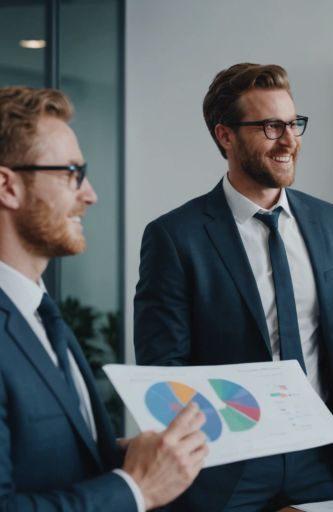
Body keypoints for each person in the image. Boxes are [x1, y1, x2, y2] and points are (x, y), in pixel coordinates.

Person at [133, 63, 333, 511]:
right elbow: (166, 372)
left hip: (317, 461)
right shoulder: (175, 237)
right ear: (226, 136)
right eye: (271, 127)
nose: (290, 140)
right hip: (221, 472)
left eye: (294, 124)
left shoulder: (328, 221)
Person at [0, 86, 208, 511]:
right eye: (70, 173)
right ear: (7, 186)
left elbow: (47, 458)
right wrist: (135, 490)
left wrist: (128, 456)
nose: (89, 193)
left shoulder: (42, 315)